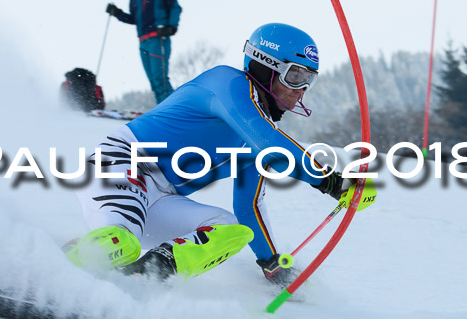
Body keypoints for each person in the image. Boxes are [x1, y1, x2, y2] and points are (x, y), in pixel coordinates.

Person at [64, 23, 360, 287]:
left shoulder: (252, 141)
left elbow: (249, 207)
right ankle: (47, 271)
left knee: (232, 230)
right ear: (266, 66)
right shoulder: (227, 83)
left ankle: (146, 277)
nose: (301, 90)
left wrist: (271, 264)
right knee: (121, 241)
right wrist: (332, 182)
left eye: (309, 80)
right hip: (124, 163)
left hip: (163, 198)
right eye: (295, 76)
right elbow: (270, 142)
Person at [106, 0, 181, 104]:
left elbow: (175, 7)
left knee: (161, 81)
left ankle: (175, 113)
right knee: (154, 82)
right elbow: (135, 19)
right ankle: (163, 113)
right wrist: (117, 13)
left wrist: (171, 27)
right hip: (143, 41)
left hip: (158, 38)